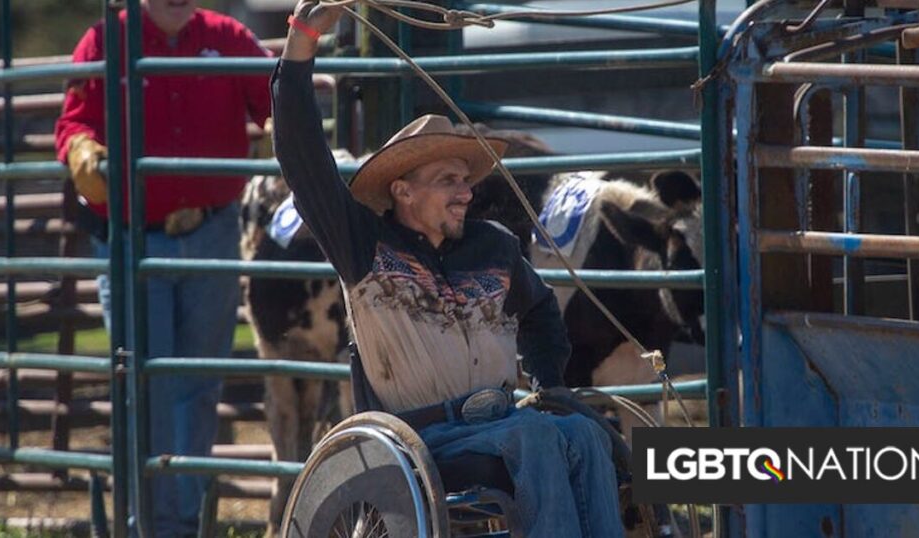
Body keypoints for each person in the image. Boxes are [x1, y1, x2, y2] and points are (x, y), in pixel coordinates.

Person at [271, 2, 624, 536]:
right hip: (421, 437)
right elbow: (302, 158)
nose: (466, 193)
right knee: (541, 438)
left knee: (585, 432)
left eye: (466, 180)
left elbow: (540, 312)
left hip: (504, 419)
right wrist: (300, 44)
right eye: (448, 180)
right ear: (403, 190)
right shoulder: (363, 245)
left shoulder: (496, 247)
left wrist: (550, 382)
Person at [54, 1, 271, 535]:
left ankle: (178, 519)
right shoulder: (105, 40)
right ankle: (148, 520)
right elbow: (72, 121)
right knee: (144, 383)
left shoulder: (230, 37)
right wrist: (81, 148)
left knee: (198, 384)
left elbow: (277, 101)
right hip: (132, 238)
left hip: (212, 229)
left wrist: (288, 123)